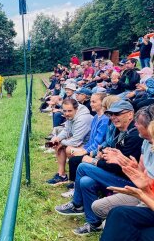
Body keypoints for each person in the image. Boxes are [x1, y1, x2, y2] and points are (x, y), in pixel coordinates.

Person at [54, 100, 144, 236]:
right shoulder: (118, 130)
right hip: (118, 176)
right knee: (86, 181)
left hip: (131, 183)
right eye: (111, 114)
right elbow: (112, 155)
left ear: (130, 114)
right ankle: (94, 223)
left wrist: (95, 161)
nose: (113, 117)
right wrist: (103, 153)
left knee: (84, 166)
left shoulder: (135, 135)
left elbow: (119, 167)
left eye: (117, 114)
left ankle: (77, 204)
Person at [46, 98, 93, 185]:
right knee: (58, 144)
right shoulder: (72, 115)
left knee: (68, 148)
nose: (67, 113)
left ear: (76, 109)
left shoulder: (82, 119)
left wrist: (61, 142)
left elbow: (76, 142)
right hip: (80, 141)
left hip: (88, 145)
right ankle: (62, 175)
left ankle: (76, 179)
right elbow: (66, 130)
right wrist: (58, 139)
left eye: (69, 111)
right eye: (65, 111)